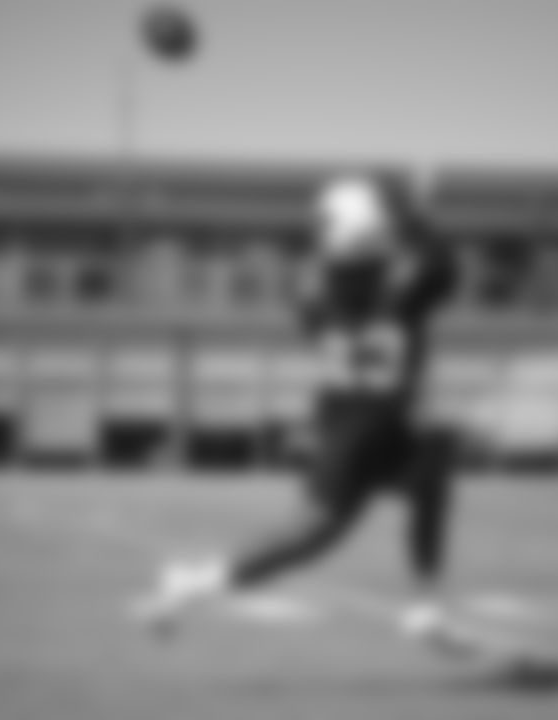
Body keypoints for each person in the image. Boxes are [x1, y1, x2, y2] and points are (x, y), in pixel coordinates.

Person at [130, 169, 465, 643]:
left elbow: (339, 275)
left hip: (343, 430)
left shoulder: (317, 296)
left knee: (307, 537)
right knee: (335, 524)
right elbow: (442, 266)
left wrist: (386, 221)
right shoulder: (399, 293)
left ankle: (187, 587)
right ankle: (425, 601)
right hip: (378, 426)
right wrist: (414, 211)